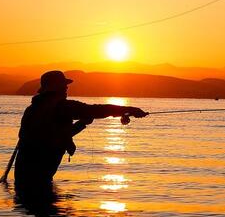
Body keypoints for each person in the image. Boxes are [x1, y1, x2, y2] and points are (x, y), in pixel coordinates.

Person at [14, 70, 148, 190]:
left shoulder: (32, 110)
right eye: (63, 84)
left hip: (23, 177)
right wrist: (130, 110)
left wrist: (82, 124)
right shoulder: (62, 107)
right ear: (55, 88)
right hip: (38, 179)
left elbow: (53, 136)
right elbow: (97, 110)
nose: (66, 87)